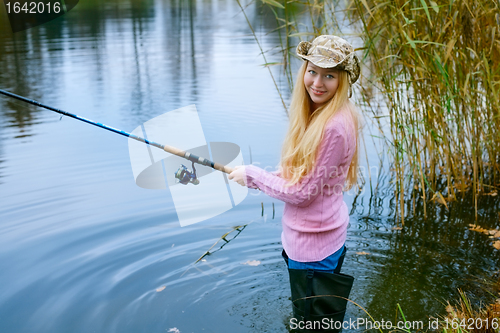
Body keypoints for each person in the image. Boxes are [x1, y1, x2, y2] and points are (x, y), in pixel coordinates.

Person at [228, 35, 361, 331]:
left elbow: (301, 193)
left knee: (311, 326)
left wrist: (254, 175)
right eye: (312, 71)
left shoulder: (334, 127)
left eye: (329, 75)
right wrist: (257, 177)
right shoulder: (322, 115)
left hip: (314, 250)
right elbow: (303, 178)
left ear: (342, 80)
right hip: (320, 240)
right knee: (317, 323)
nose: (317, 82)